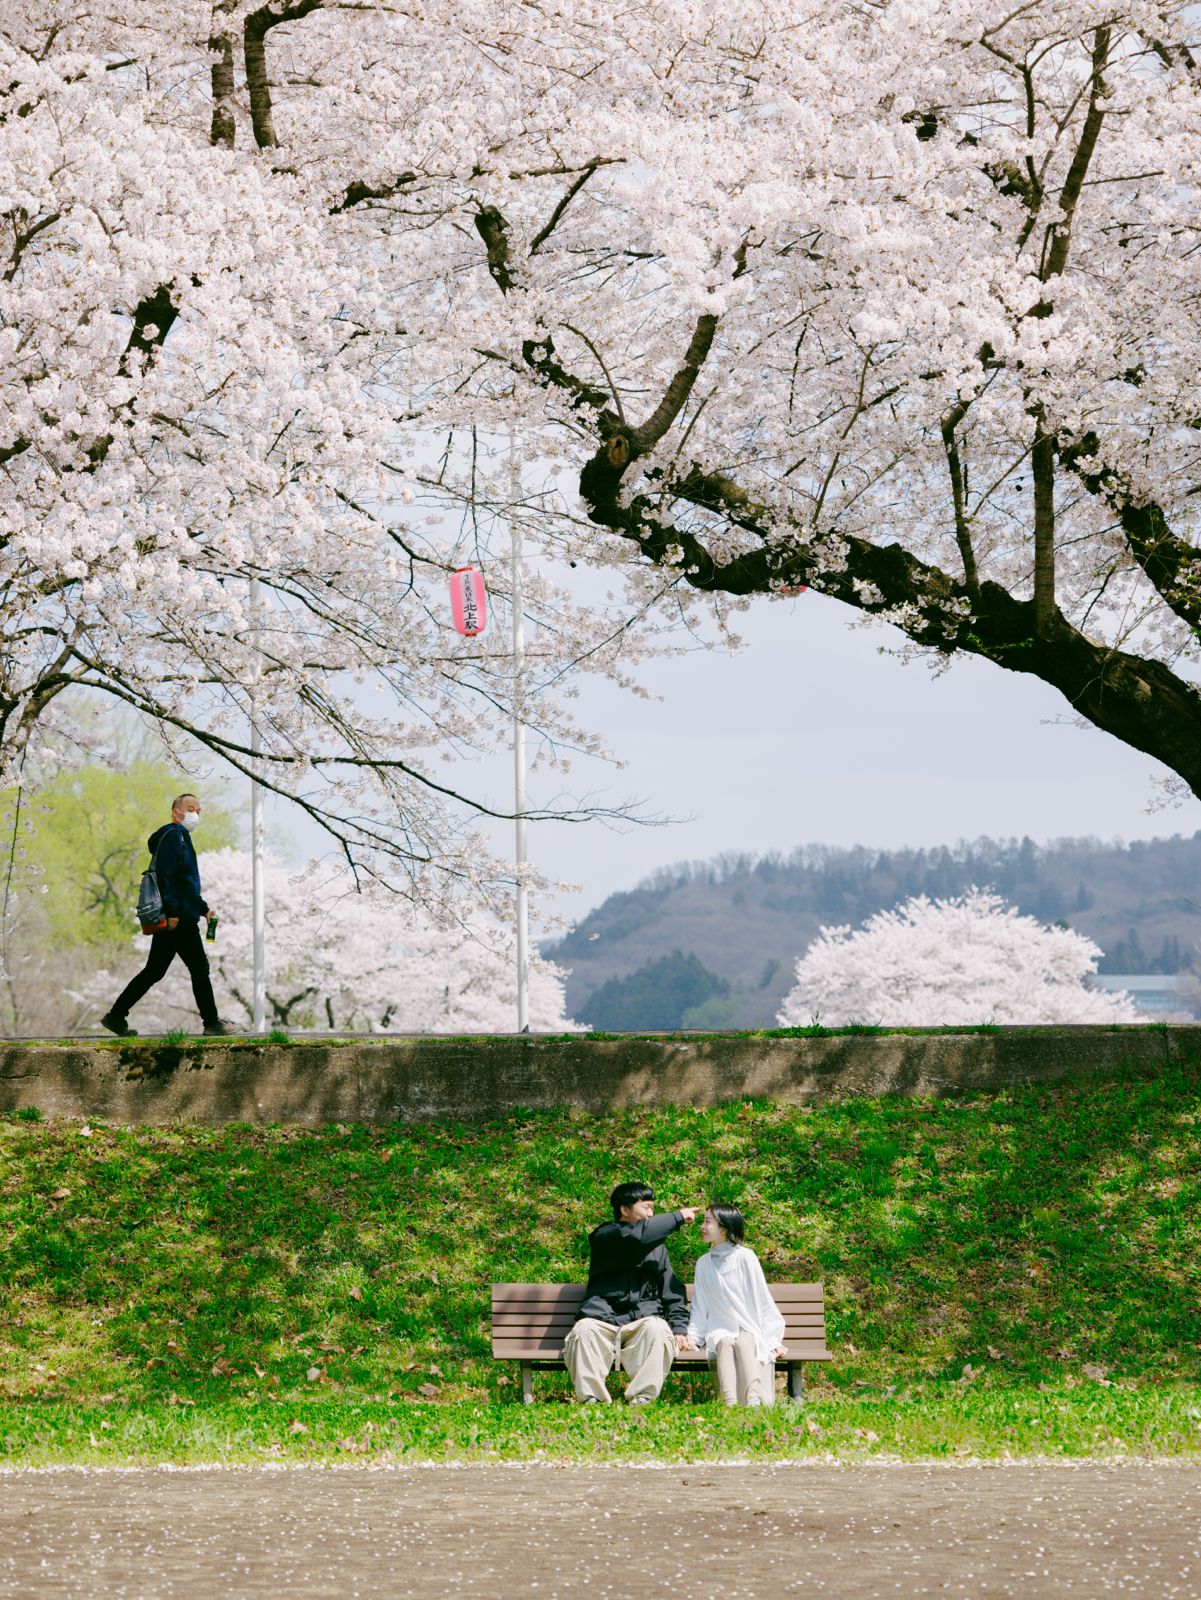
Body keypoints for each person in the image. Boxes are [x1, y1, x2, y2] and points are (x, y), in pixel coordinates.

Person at [100, 793, 227, 1038]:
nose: (195, 814)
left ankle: (116, 1016)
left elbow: (184, 884)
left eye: (199, 810)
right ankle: (211, 1022)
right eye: (190, 808)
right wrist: (174, 914)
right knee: (199, 968)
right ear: (175, 812)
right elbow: (167, 878)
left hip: (180, 914)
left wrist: (204, 909)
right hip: (178, 919)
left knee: (154, 971)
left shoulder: (181, 838)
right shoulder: (173, 837)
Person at [564, 1181, 697, 1404]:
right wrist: (677, 1217)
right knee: (583, 1332)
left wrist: (679, 1328)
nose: (651, 1213)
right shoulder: (605, 1236)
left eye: (653, 1207)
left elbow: (671, 1291)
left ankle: (642, 1399)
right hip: (602, 1319)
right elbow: (637, 1237)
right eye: (646, 1207)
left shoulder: (657, 1249)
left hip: (642, 1321)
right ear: (624, 1210)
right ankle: (592, 1402)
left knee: (657, 1329)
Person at [684, 1203, 786, 1407]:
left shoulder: (745, 1257)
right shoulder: (704, 1263)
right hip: (719, 1327)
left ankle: (753, 1400)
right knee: (724, 1343)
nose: (702, 1226)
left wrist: (773, 1340)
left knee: (744, 1342)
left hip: (748, 1325)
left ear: (724, 1228)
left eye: (707, 1222)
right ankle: (729, 1402)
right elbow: (700, 1306)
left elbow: (762, 1299)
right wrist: (693, 1338)